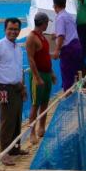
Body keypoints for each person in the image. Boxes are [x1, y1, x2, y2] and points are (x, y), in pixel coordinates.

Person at [0, 18, 26, 164]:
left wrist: (22, 87)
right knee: (6, 121)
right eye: (10, 29)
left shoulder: (18, 47)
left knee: (17, 119)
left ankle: (15, 148)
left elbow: (19, 69)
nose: (13, 32)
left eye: (16, 29)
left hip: (17, 88)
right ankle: (4, 153)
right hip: (4, 88)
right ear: (5, 29)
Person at [26, 12, 57, 144]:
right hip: (37, 75)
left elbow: (44, 57)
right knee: (35, 104)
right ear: (42, 23)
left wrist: (51, 73)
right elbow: (31, 59)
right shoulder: (32, 38)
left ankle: (41, 127)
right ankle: (32, 132)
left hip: (46, 73)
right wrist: (37, 77)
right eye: (46, 23)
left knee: (44, 102)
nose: (47, 25)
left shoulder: (43, 37)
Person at [55, 0, 86, 75]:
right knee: (76, 54)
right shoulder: (78, 1)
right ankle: (78, 77)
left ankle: (84, 80)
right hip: (78, 29)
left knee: (81, 55)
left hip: (83, 29)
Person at [52, 0, 83, 91]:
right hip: (77, 46)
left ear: (55, 6)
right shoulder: (69, 16)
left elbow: (62, 35)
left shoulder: (60, 17)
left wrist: (57, 50)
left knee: (67, 76)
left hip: (68, 49)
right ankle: (79, 94)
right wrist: (56, 35)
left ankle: (68, 99)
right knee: (77, 73)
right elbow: (67, 32)